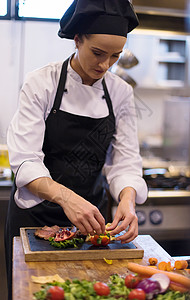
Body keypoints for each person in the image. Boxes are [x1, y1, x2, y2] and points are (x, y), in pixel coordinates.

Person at [5, 0, 148, 299]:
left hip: (93, 222)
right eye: (97, 53)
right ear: (77, 39)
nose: (105, 65)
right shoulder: (41, 83)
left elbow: (125, 161)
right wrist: (67, 198)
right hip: (35, 219)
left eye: (115, 57)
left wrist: (128, 199)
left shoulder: (121, 93)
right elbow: (25, 161)